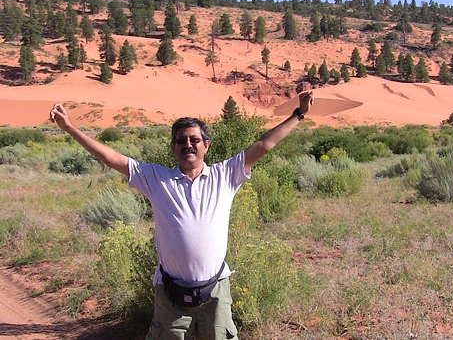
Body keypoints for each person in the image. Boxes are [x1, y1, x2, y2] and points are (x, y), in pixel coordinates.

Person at [49, 92, 313, 340]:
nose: (188, 145)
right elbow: (110, 157)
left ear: (206, 145)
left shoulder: (225, 175)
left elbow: (263, 145)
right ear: (173, 147)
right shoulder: (155, 178)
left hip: (216, 291)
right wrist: (70, 128)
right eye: (181, 140)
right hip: (170, 294)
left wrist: (298, 115)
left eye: (194, 140)